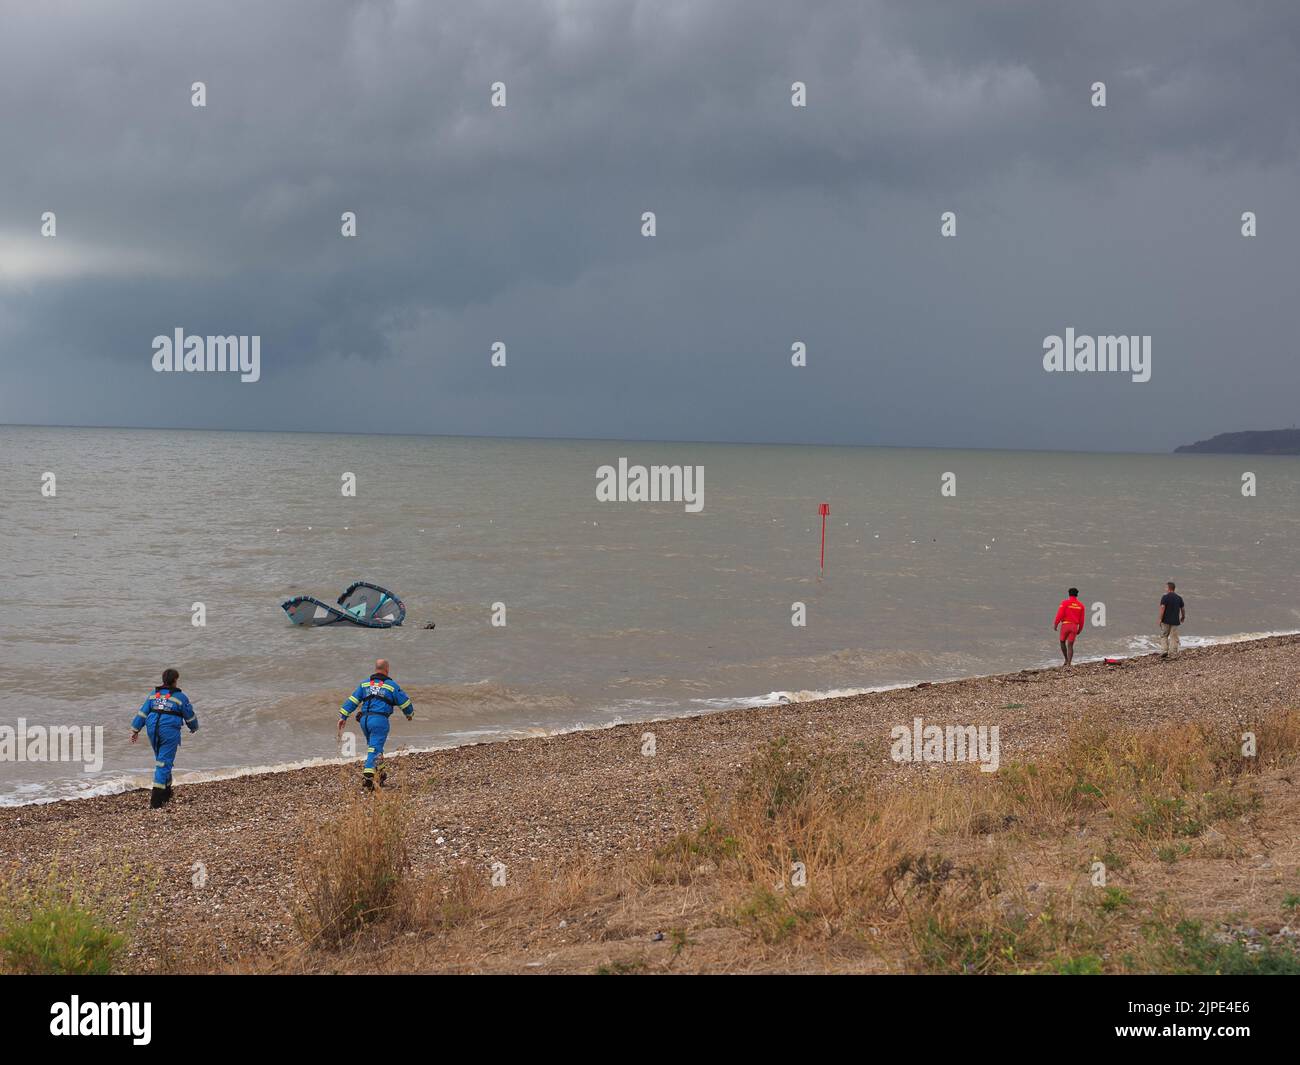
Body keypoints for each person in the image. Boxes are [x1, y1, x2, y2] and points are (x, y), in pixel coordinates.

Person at [338, 658, 414, 789]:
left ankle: (380, 773)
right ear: (387, 669)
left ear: (375, 669)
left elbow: (352, 700)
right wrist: (409, 714)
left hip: (364, 721)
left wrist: (343, 716)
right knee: (375, 747)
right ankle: (368, 774)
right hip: (379, 720)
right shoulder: (391, 685)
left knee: (375, 746)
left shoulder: (364, 684)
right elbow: (404, 702)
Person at [130, 668, 199, 808]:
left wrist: (135, 729)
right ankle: (156, 800)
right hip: (169, 730)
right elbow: (189, 715)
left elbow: (142, 713)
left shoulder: (153, 695)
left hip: (152, 728)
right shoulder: (180, 697)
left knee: (162, 760)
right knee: (163, 763)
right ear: (175, 680)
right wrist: (193, 727)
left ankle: (167, 792)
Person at [1053, 587, 1086, 667]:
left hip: (1065, 625)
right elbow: (1082, 620)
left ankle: (1066, 659)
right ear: (1077, 595)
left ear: (1069, 594)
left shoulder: (1064, 603)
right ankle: (1069, 663)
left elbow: (1059, 614)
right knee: (1070, 645)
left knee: (1062, 641)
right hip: (1074, 626)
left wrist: (1056, 624)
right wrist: (1080, 629)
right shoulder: (1081, 605)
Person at [1158, 581, 1186, 658]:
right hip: (1175, 621)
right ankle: (1173, 653)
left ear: (1168, 588)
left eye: (1166, 587)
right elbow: (1182, 609)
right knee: (1174, 637)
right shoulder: (1179, 598)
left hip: (1165, 620)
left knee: (1164, 635)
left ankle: (1164, 650)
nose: (1165, 589)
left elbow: (1162, 608)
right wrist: (1183, 617)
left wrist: (1160, 619)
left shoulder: (1165, 597)